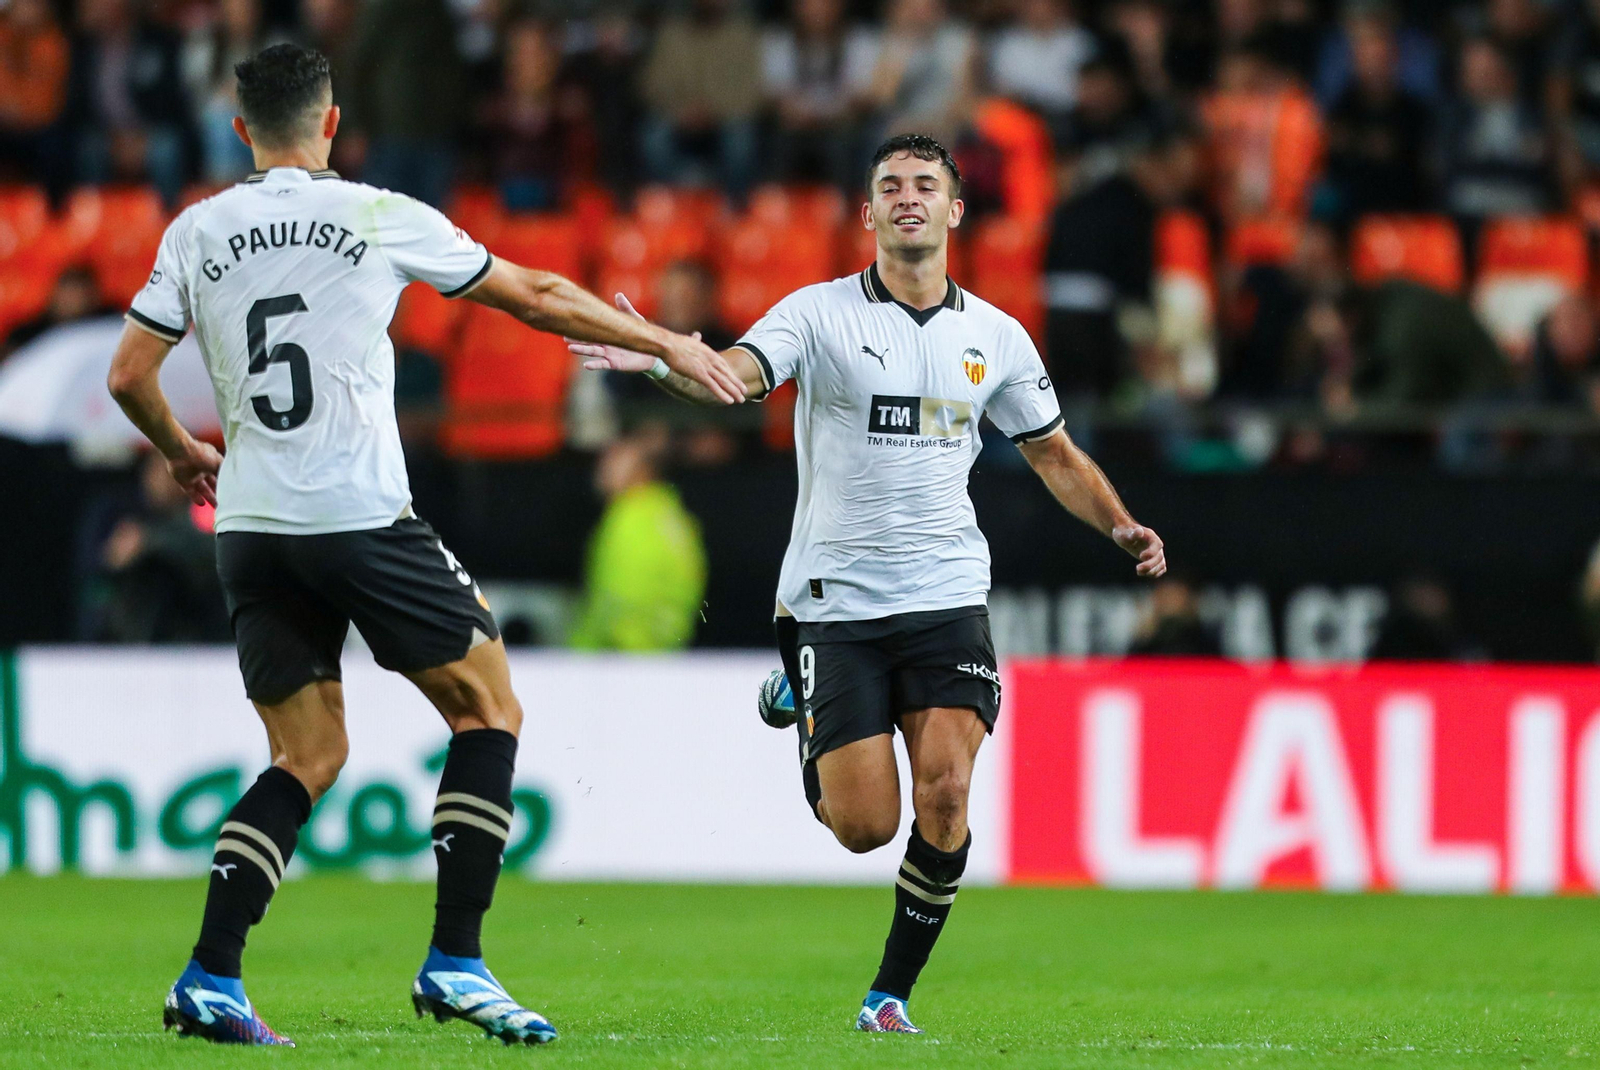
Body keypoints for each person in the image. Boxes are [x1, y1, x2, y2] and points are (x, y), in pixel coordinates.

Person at [107, 43, 742, 1048]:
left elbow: (128, 373)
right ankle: (456, 958)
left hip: (252, 526)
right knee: (488, 706)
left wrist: (184, 450)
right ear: (330, 122)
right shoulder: (373, 211)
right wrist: (664, 341)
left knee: (305, 754)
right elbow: (531, 294)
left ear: (240, 131)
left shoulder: (198, 229)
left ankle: (210, 974)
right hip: (356, 514)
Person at [570, 133, 1166, 1035]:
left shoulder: (996, 337)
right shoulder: (816, 315)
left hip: (947, 594)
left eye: (927, 185)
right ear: (869, 212)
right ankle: (798, 695)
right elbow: (736, 376)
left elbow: (1052, 452)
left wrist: (1119, 522)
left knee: (948, 794)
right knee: (862, 826)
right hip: (834, 603)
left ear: (957, 210)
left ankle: (888, 996)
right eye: (891, 186)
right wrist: (663, 357)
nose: (909, 197)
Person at [569, 427, 707, 651]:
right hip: (664, 652)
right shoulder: (673, 514)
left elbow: (621, 599)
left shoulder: (628, 515)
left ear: (641, 466)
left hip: (623, 658)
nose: (603, 466)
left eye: (615, 456)